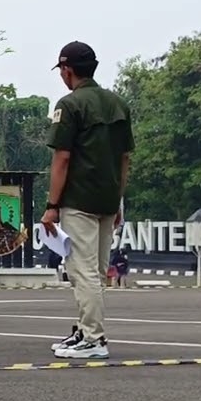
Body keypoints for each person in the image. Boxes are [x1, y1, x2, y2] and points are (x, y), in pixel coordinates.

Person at [42, 41, 134, 359]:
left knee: (82, 271)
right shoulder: (118, 104)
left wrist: (51, 206)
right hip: (108, 199)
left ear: (67, 71)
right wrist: (119, 200)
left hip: (79, 199)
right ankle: (84, 329)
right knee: (97, 270)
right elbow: (124, 159)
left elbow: (62, 159)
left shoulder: (69, 105)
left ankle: (94, 338)